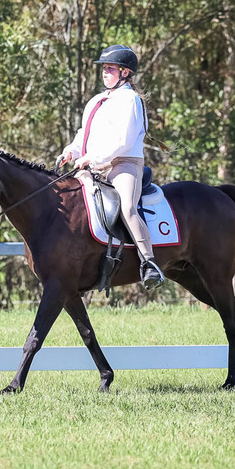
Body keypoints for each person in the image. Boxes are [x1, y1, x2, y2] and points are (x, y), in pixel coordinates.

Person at [58, 44, 165, 289]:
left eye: (110, 69)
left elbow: (123, 141)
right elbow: (84, 133)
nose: (105, 73)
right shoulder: (98, 100)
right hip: (94, 164)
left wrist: (91, 158)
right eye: (104, 69)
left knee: (127, 207)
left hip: (124, 164)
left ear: (125, 73)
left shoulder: (130, 100)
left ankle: (150, 263)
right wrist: (71, 151)